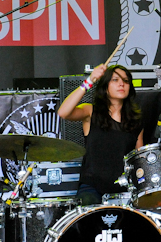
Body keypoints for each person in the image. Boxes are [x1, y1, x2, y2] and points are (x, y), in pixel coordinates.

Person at [58, 64, 143, 205]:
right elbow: (63, 112)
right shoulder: (90, 112)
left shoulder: (136, 121)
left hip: (124, 189)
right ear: (105, 86)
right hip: (92, 188)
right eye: (115, 80)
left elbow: (139, 159)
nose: (122, 83)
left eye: (126, 80)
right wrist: (89, 81)